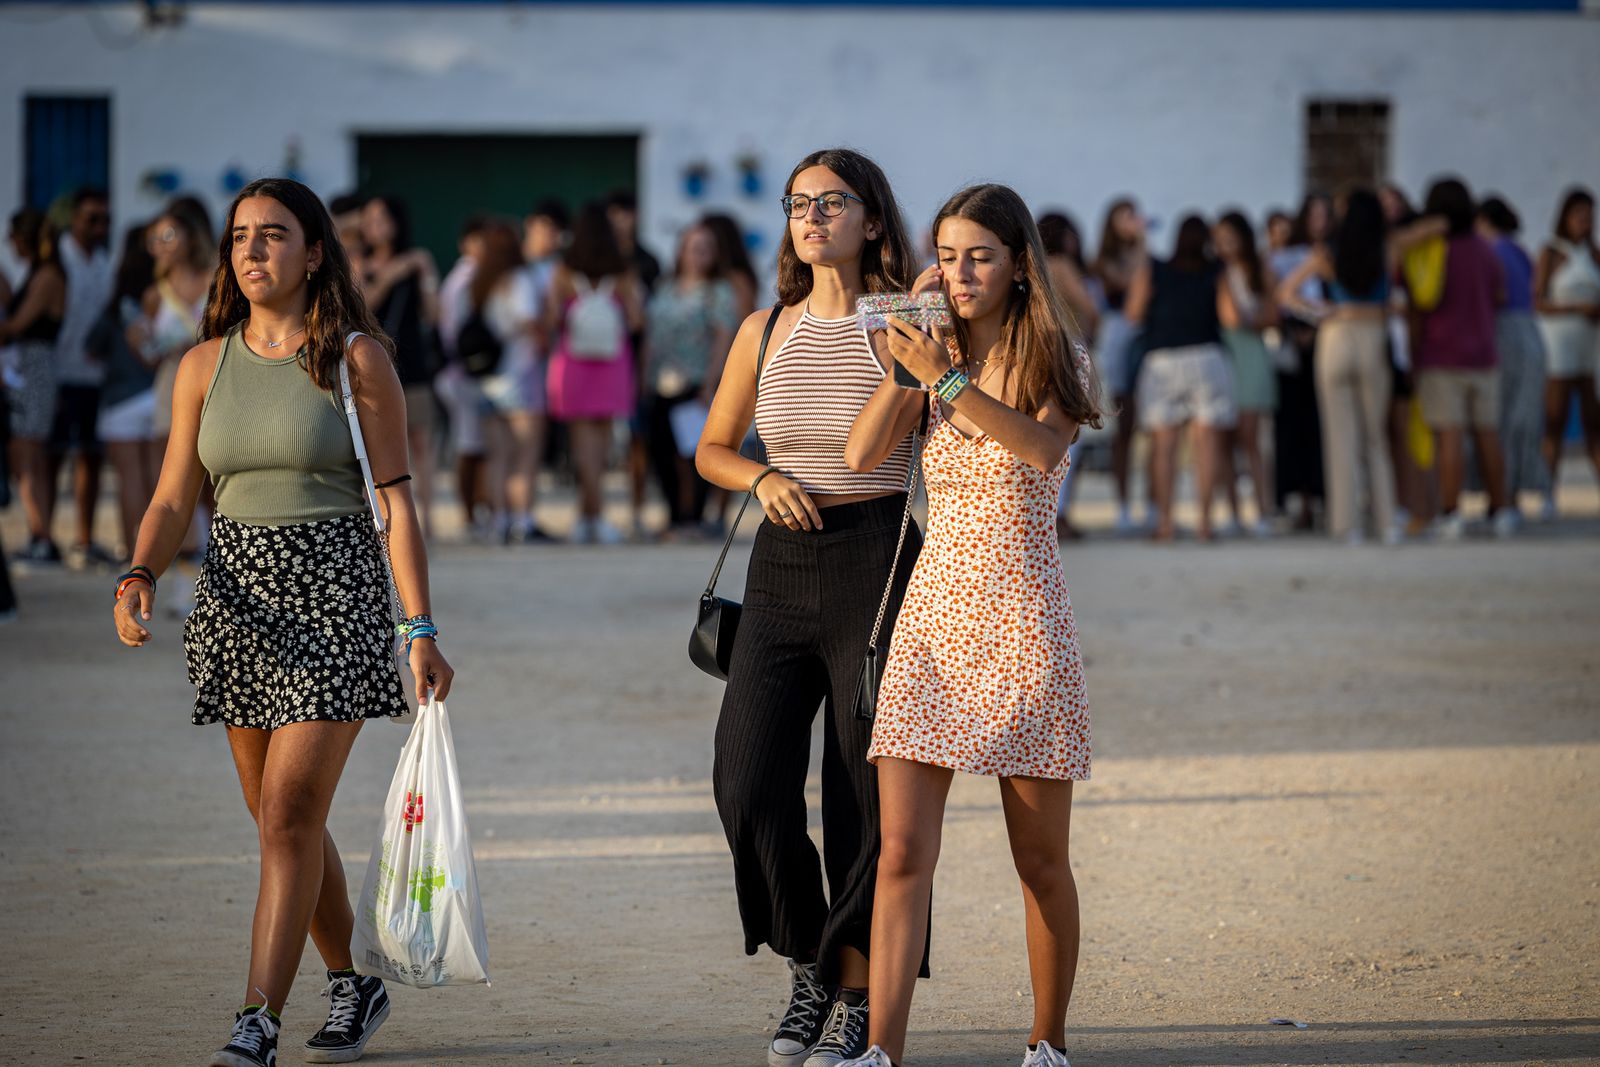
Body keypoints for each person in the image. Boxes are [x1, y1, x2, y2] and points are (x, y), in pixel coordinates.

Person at [111, 177, 453, 1067]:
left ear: (313, 252)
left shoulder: (355, 358)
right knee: (279, 820)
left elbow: (399, 503)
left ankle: (255, 1016)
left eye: (273, 235)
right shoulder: (201, 365)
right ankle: (355, 982)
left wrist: (419, 628)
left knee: (292, 811)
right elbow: (174, 493)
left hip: (334, 599)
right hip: (235, 606)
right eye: (239, 237)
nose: (252, 250)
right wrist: (139, 570)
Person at [841, 183, 1101, 1067]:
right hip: (933, 616)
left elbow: (1038, 448)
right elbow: (859, 454)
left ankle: (1048, 1041)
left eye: (978, 256)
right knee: (904, 851)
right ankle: (881, 1050)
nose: (959, 274)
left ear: (1019, 264)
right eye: (947, 257)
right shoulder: (929, 354)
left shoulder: (1061, 357)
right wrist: (908, 359)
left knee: (1039, 860)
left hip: (1024, 614)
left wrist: (945, 378)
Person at [694, 147, 921, 1067]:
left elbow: (906, 440)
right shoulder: (765, 325)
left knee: (865, 793)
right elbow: (712, 446)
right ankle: (807, 964)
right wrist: (760, 474)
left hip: (880, 555)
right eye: (798, 202)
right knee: (744, 782)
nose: (811, 215)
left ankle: (859, 990)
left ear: (872, 219)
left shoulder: (904, 319)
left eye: (832, 201)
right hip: (780, 558)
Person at [1278, 189, 1400, 544]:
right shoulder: (1387, 249)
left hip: (1334, 335)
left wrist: (1316, 312)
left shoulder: (1327, 252)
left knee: (1340, 436)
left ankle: (1347, 525)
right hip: (1372, 334)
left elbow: (1286, 293)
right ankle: (1387, 521)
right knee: (1375, 435)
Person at [1406, 177, 1512, 540]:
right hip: (1484, 353)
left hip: (1443, 353)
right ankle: (1501, 511)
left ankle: (1451, 513)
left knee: (1449, 435)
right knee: (1488, 434)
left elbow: (1419, 304)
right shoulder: (1485, 250)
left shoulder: (1434, 251)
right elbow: (1499, 296)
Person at [1126, 214, 1235, 542]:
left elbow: (1132, 313)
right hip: (1206, 356)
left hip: (1163, 360)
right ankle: (1205, 523)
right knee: (1206, 445)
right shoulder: (1217, 272)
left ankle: (1166, 524)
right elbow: (1230, 317)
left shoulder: (1154, 268)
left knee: (1164, 447)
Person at [544, 202, 643, 544]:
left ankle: (588, 515)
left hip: (574, 364)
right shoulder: (622, 272)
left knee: (582, 446)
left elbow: (553, 319)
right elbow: (635, 320)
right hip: (612, 364)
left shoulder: (564, 272)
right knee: (601, 446)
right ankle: (593, 516)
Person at [642, 222, 736, 538]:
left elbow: (724, 338)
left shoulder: (718, 292)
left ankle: (693, 518)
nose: (698, 255)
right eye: (693, 247)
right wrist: (642, 376)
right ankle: (673, 516)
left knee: (692, 454)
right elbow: (650, 335)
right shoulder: (664, 288)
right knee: (661, 452)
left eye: (706, 248)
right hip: (660, 382)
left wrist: (712, 383)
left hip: (696, 383)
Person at [361, 195, 441, 539]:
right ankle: (380, 516)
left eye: (381, 218)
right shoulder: (356, 263)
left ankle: (426, 519)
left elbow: (434, 313)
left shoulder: (418, 261)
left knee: (421, 442)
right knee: (373, 444)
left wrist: (425, 274)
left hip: (413, 361)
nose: (374, 226)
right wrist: (394, 272)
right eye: (370, 218)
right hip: (372, 365)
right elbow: (365, 304)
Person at [49, 187, 115, 567]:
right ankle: (44, 535)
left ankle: (84, 539)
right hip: (60, 372)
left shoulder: (104, 263)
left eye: (104, 219)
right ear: (74, 218)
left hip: (94, 376)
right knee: (52, 456)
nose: (99, 227)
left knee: (90, 457)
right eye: (92, 218)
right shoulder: (59, 261)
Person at [89, 222, 159, 558]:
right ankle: (160, 550)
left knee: (129, 479)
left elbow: (91, 346)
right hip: (160, 396)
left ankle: (134, 553)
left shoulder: (118, 303)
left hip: (121, 399)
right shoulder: (164, 295)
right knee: (158, 481)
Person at [0, 208, 65, 561]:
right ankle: (40, 534)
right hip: (30, 369)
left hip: (34, 370)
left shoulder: (47, 276)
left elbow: (15, 325)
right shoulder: (39, 273)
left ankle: (42, 536)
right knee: (31, 458)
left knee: (25, 457)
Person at [1477, 196, 1548, 517]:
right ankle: (1515, 493)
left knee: (1501, 419)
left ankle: (1501, 497)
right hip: (1532, 335)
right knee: (1522, 419)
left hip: (1505, 335)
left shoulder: (1491, 252)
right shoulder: (1519, 250)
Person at [1534, 186, 1600, 518]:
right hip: (1559, 344)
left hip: (1588, 346)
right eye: (1579, 217)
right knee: (1555, 420)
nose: (1585, 223)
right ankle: (1548, 490)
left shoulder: (1595, 254)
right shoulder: (1552, 253)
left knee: (1593, 421)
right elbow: (1539, 301)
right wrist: (1575, 308)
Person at [1213, 210, 1278, 535]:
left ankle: (1263, 510)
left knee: (1251, 438)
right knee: (1224, 439)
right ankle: (1234, 512)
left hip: (1250, 355)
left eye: (1230, 237)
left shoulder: (1258, 270)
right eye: (1219, 238)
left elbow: (1272, 314)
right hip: (1226, 354)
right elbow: (1231, 319)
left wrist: (1252, 318)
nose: (1224, 244)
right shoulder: (1218, 275)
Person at [1270, 193, 1332, 530]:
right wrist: (1298, 328)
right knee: (1291, 427)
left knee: (1321, 425)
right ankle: (1293, 500)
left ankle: (1320, 498)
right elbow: (1279, 296)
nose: (1319, 222)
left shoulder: (1334, 254)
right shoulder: (1286, 257)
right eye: (1314, 215)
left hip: (1326, 341)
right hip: (1292, 344)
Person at [1036, 211, 1098, 539]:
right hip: (1067, 347)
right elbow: (1089, 307)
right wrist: (1093, 335)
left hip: (1040, 349)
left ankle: (1051, 514)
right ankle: (1059, 516)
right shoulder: (1060, 265)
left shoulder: (1031, 269)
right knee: (1068, 441)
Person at [608, 190, 662, 540]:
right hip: (601, 358)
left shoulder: (647, 261)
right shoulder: (598, 257)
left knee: (639, 438)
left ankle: (637, 509)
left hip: (637, 357)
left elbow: (652, 317)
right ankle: (597, 510)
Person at [1091, 198, 1148, 533]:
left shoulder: (1143, 257)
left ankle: (1144, 502)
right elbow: (1126, 283)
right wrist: (1141, 246)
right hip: (1115, 341)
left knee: (1143, 425)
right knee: (1119, 427)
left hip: (1141, 340)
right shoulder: (1104, 261)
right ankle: (1121, 504)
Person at [435, 215, 493, 537]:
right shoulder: (465, 279)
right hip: (463, 374)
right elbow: (457, 333)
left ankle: (476, 511)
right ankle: (469, 515)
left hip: (464, 374)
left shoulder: (469, 277)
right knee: (469, 446)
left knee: (475, 445)